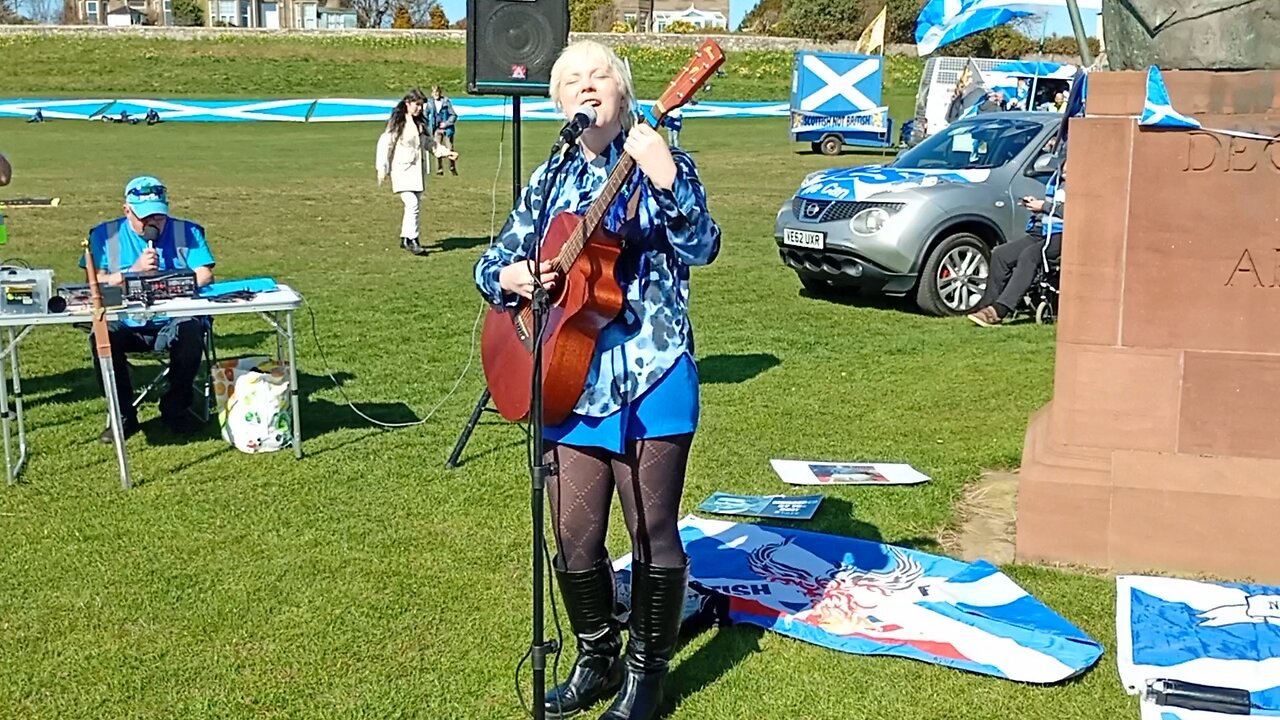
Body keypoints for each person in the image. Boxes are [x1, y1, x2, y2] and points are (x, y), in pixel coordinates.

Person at [473, 39, 721, 720]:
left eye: (599, 76)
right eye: (570, 80)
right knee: (574, 537)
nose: (586, 87)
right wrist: (513, 276)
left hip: (651, 370)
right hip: (567, 376)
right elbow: (492, 261)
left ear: (624, 92)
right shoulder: (550, 178)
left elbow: (703, 243)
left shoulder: (660, 161)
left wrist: (666, 176)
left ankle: (646, 676)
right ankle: (596, 657)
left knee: (651, 533)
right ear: (559, 102)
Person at [81, 176, 216, 442]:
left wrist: (166, 285)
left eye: (159, 216)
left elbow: (205, 274)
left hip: (172, 321)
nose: (152, 223)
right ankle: (122, 416)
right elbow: (94, 281)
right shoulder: (104, 235)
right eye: (145, 217)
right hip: (126, 323)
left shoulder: (187, 231)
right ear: (126, 210)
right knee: (101, 335)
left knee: (190, 328)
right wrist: (134, 272)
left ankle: (176, 407)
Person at [968, 161, 1065, 327]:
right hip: (1041, 231)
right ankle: (986, 306)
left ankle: (1001, 309)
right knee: (1001, 254)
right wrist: (1036, 205)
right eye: (1064, 165)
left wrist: (1044, 206)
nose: (1066, 169)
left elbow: (1075, 209)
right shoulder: (1057, 181)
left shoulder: (1083, 183)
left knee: (1030, 256)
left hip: (1062, 235)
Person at [376, 88, 431, 257]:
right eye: (417, 104)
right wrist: (382, 168)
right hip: (402, 170)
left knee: (414, 204)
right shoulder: (398, 122)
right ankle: (412, 239)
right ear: (407, 104)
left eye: (421, 105)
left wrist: (445, 152)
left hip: (416, 172)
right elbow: (386, 143)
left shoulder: (419, 123)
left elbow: (428, 143)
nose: (419, 108)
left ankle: (405, 237)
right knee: (412, 203)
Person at [426, 85, 457, 176]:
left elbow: (453, 115)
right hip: (436, 129)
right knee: (436, 148)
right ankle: (439, 169)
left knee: (449, 148)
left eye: (437, 92)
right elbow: (425, 114)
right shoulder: (430, 103)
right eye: (434, 93)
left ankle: (452, 167)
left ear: (440, 92)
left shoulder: (446, 102)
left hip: (447, 129)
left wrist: (446, 124)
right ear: (432, 94)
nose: (436, 94)